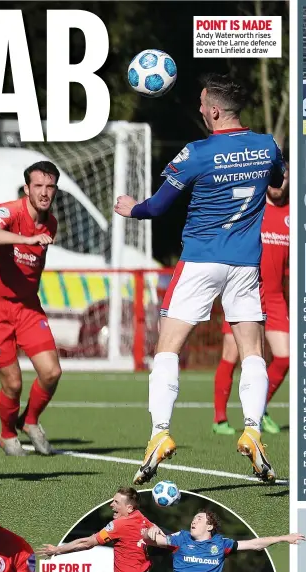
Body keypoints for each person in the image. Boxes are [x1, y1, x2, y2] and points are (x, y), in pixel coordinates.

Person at [114, 74, 286, 485]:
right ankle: (253, 430)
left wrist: (130, 208)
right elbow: (278, 186)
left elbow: (157, 207)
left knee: (168, 347)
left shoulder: (196, 152)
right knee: (253, 352)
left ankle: (159, 435)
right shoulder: (266, 146)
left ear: (212, 111)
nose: (199, 109)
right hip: (246, 264)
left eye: (202, 103)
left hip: (200, 262)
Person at [0, 160, 62, 457]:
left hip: (26, 306)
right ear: (27, 188)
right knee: (12, 381)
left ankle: (30, 421)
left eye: (50, 187)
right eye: (38, 186)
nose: (44, 192)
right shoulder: (10, 210)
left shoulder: (51, 223)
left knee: (51, 372)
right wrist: (26, 238)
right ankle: (7, 433)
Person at [213, 185, 289, 436]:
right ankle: (220, 419)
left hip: (276, 295)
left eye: (284, 177)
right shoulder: (252, 206)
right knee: (231, 356)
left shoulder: (293, 214)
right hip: (246, 290)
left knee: (284, 357)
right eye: (276, 178)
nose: (279, 183)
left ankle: (259, 408)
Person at [142, 509, 304, 572]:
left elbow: (255, 544)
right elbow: (155, 540)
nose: (194, 521)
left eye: (199, 519)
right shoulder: (181, 538)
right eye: (193, 519)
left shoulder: (221, 545)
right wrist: (149, 532)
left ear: (210, 526)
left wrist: (284, 537)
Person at [38, 487, 164, 572]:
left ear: (129, 508)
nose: (111, 504)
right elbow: (155, 529)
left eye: (116, 502)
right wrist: (155, 527)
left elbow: (87, 543)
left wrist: (57, 550)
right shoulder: (139, 517)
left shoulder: (120, 524)